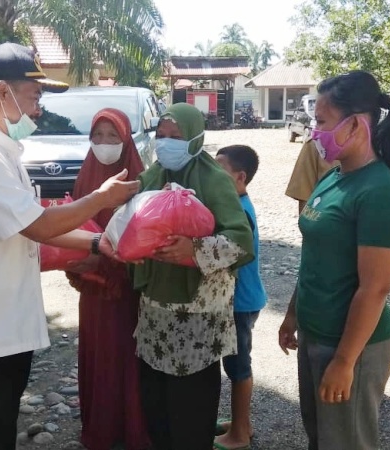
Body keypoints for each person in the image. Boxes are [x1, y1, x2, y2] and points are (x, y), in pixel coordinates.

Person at [0, 42, 139, 450]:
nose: (38, 109)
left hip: (4, 327)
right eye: (34, 96)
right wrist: (99, 199)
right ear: (2, 93)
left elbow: (31, 225)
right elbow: (40, 225)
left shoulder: (0, 151)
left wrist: (99, 242)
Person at [278, 71, 390, 450]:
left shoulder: (382, 192)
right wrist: (294, 313)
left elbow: (376, 287)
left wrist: (345, 361)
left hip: (352, 345)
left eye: (321, 122)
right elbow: (314, 258)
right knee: (321, 438)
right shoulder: (334, 178)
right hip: (316, 334)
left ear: (354, 124)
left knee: (347, 442)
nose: (313, 132)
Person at [133, 103, 254, 450]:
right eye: (161, 135)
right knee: (157, 406)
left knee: (191, 413)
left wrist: (195, 249)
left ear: (197, 139)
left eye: (176, 137)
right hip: (155, 313)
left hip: (197, 319)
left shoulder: (214, 180)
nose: (166, 143)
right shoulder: (154, 175)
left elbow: (241, 242)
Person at [64, 108, 150, 450]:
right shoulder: (86, 176)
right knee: (99, 353)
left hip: (131, 286)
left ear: (126, 139)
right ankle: (100, 427)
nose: (104, 143)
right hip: (94, 289)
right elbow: (68, 226)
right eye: (97, 136)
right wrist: (79, 263)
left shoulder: (140, 180)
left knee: (130, 356)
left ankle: (133, 428)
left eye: (112, 136)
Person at [213, 145, 268, 450]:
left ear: (240, 177)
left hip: (241, 302)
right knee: (234, 364)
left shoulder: (239, 211)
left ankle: (240, 434)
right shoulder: (237, 203)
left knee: (238, 368)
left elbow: (233, 255)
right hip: (242, 300)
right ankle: (239, 422)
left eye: (219, 170)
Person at [286, 137, 390, 215]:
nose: (317, 131)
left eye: (323, 121)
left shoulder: (383, 148)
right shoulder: (315, 147)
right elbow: (305, 208)